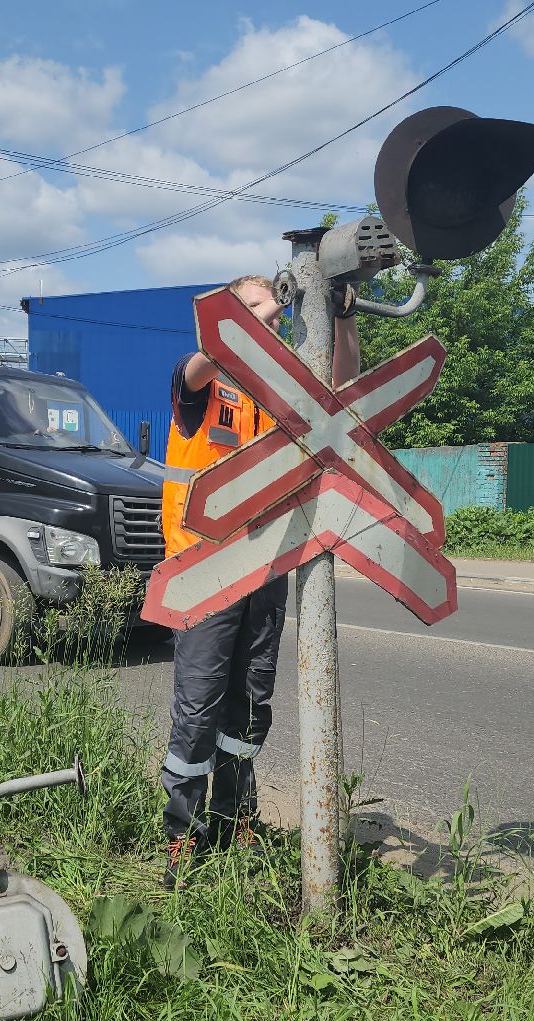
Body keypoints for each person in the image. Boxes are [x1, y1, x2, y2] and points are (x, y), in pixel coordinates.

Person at [157, 272, 360, 889]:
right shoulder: (203, 382)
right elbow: (198, 364)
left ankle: (234, 817)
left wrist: (342, 313)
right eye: (252, 311)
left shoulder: (283, 392)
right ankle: (180, 837)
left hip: (267, 569)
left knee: (250, 702)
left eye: (268, 310)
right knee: (198, 706)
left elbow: (344, 388)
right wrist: (271, 300)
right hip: (203, 570)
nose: (269, 319)